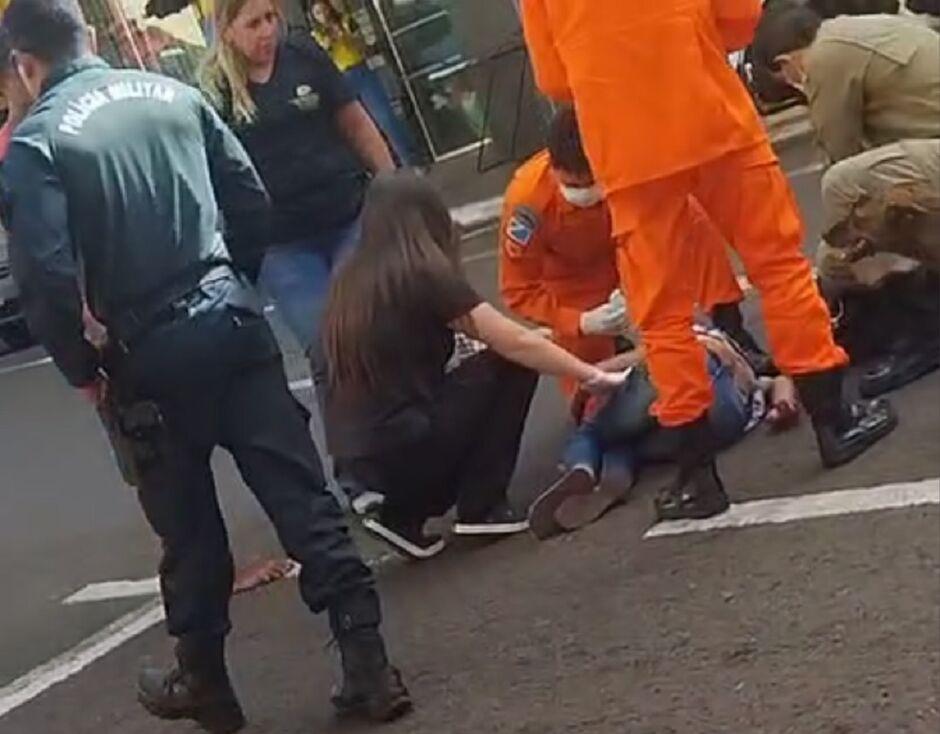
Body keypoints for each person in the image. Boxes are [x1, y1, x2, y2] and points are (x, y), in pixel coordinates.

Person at [0, 3, 410, 731]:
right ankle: (369, 666)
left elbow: (46, 276)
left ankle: (208, 684)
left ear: (25, 65)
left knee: (188, 531)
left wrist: (82, 366)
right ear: (90, 39)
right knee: (303, 497)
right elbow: (249, 199)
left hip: (144, 353)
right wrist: (235, 283)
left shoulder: (38, 143)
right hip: (229, 318)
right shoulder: (174, 93)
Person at [519, 0, 898, 523]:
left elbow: (555, 79)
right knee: (777, 266)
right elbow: (741, 18)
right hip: (711, 116)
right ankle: (834, 418)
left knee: (661, 314)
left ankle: (697, 475)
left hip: (628, 150)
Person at [321, 171, 626, 560]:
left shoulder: (349, 280)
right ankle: (482, 505)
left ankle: (401, 515)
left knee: (482, 371)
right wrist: (594, 375)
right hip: (405, 447)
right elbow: (511, 341)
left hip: (364, 459)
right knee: (509, 363)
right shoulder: (421, 274)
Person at [498, 107, 773, 533]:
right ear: (553, 169)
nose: (585, 192)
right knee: (591, 399)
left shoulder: (630, 165)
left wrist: (724, 315)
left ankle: (594, 461)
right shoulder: (528, 203)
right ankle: (611, 457)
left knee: (611, 407)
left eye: (592, 181)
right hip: (573, 294)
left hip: (632, 259)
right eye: (573, 185)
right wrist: (580, 322)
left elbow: (687, 228)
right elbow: (519, 290)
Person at [752, 4, 940, 394]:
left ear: (786, 64)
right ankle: (889, 318)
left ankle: (923, 327)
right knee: (842, 242)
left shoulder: (825, 58)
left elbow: (843, 159)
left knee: (843, 191)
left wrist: (843, 260)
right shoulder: (858, 31)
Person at [200, 0, 394, 358]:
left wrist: (395, 189)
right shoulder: (214, 91)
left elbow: (357, 124)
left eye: (271, 18)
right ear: (227, 32)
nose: (267, 31)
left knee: (371, 332)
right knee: (327, 352)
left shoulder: (304, 55)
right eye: (253, 24)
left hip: (348, 217)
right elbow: (213, 176)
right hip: (281, 244)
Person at [550, 328, 800, 536]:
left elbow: (651, 352)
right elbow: (780, 382)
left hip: (695, 378)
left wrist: (584, 386)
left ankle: (582, 465)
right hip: (723, 423)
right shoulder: (754, 378)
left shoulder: (705, 335)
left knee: (594, 433)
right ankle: (613, 476)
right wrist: (781, 407)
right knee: (629, 441)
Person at [308, 0, 418, 166]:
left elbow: (363, 45)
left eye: (324, 11)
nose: (323, 16)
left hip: (359, 70)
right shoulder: (317, 36)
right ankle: (386, 167)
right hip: (340, 78)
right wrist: (329, 42)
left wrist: (345, 35)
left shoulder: (346, 21)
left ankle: (411, 160)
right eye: (318, 14)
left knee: (385, 117)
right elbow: (320, 60)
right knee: (361, 129)